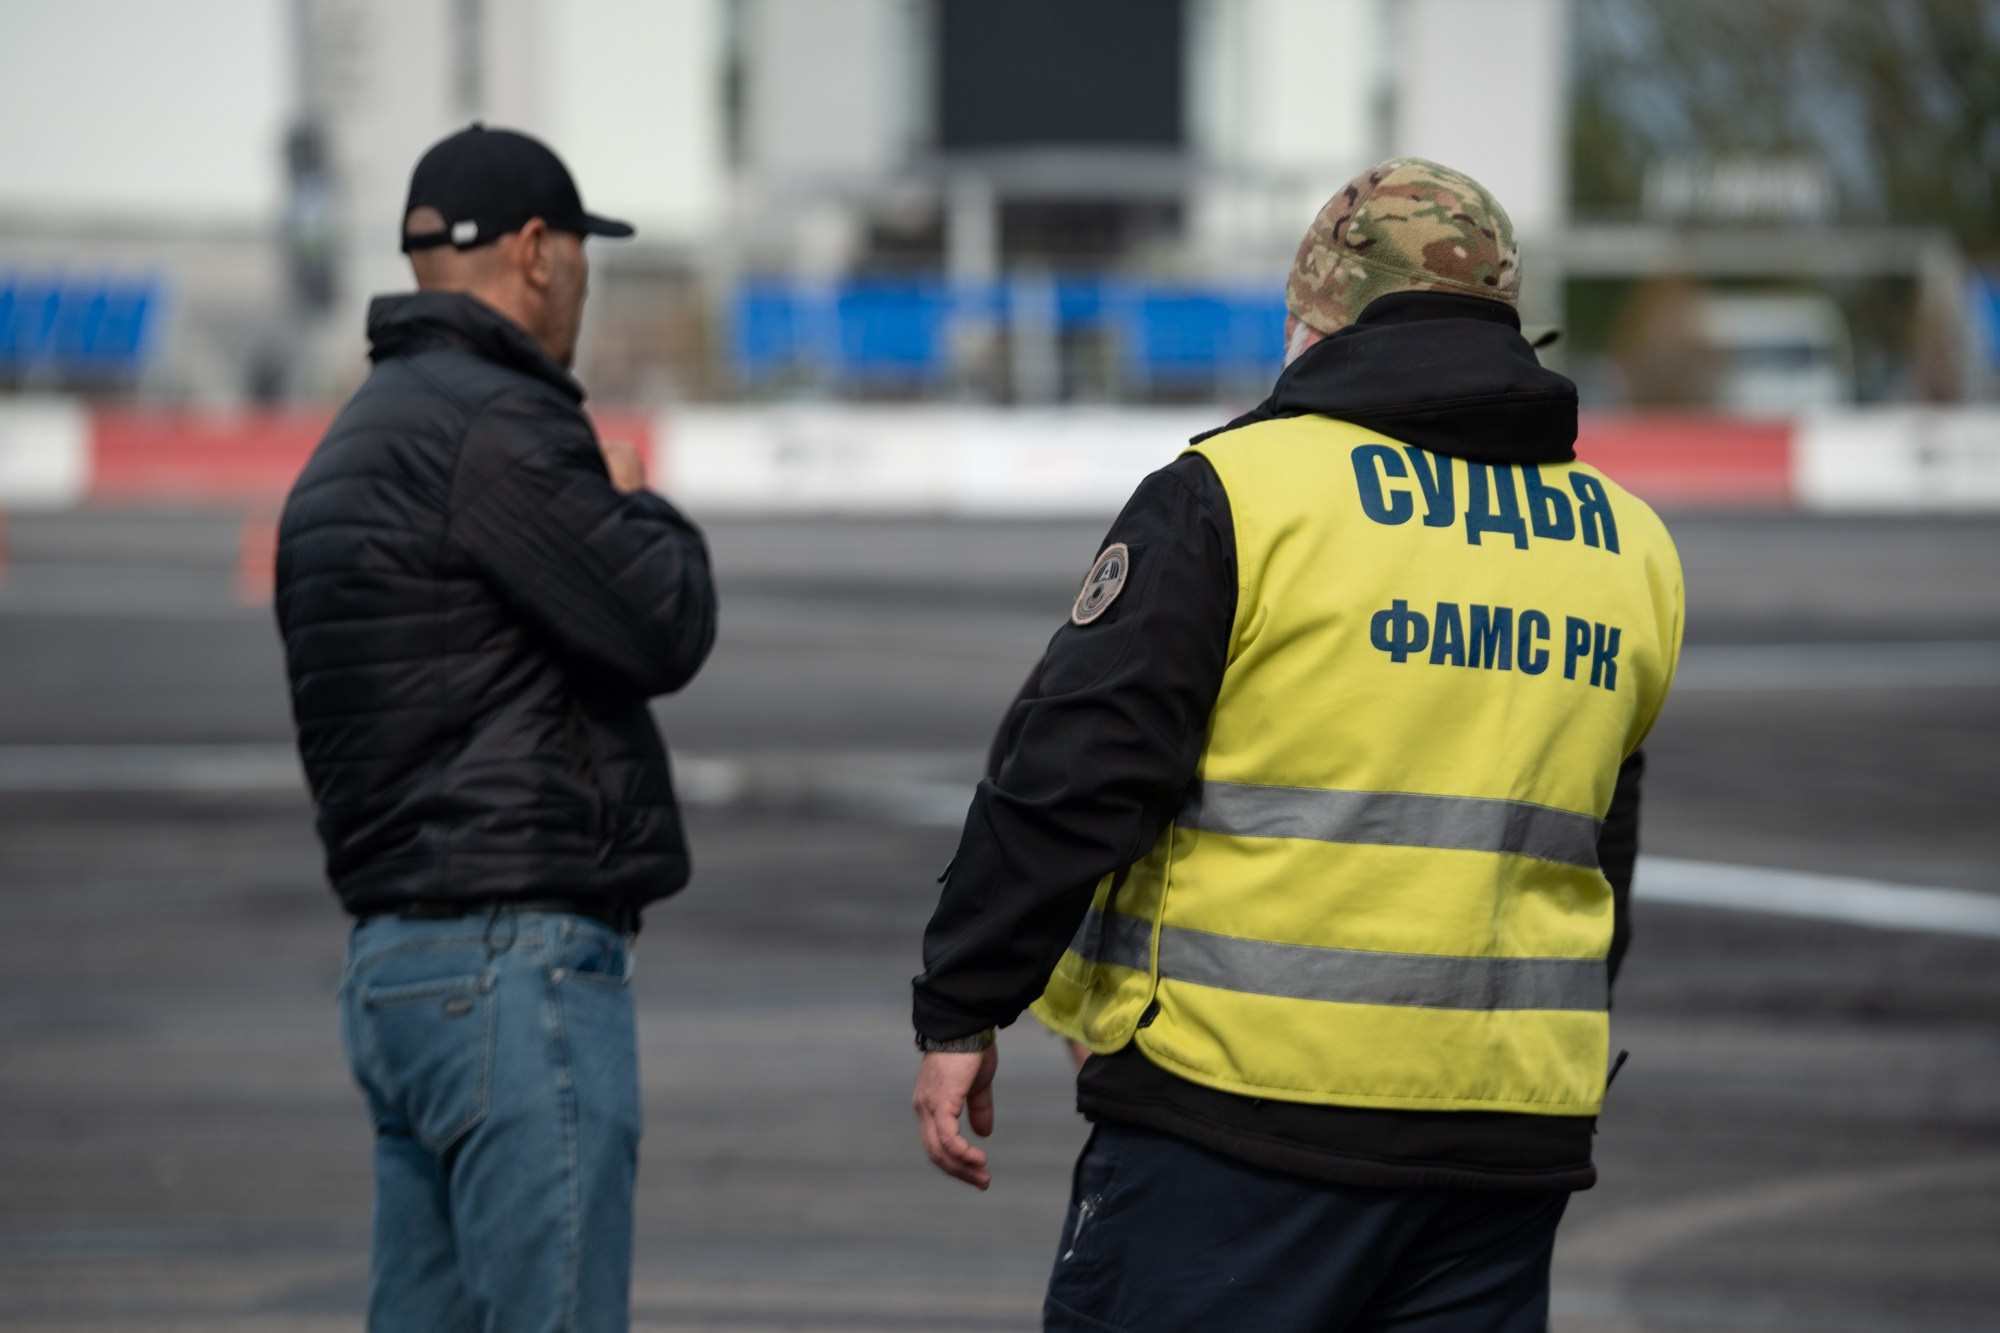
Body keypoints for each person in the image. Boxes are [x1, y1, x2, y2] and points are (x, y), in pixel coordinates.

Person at [911, 158, 1683, 1331]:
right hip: (1503, 1149)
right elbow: (1594, 849)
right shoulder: (1627, 546)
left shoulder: (1234, 493)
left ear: (1311, 319)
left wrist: (964, 1003)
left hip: (1239, 1122)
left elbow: (1069, 778)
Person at [275, 124, 717, 1332]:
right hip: (512, 977)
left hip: (395, 971)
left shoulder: (348, 447)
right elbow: (664, 621)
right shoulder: (501, 427)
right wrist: (639, 501)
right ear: (534, 251)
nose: (583, 278)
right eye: (581, 252)